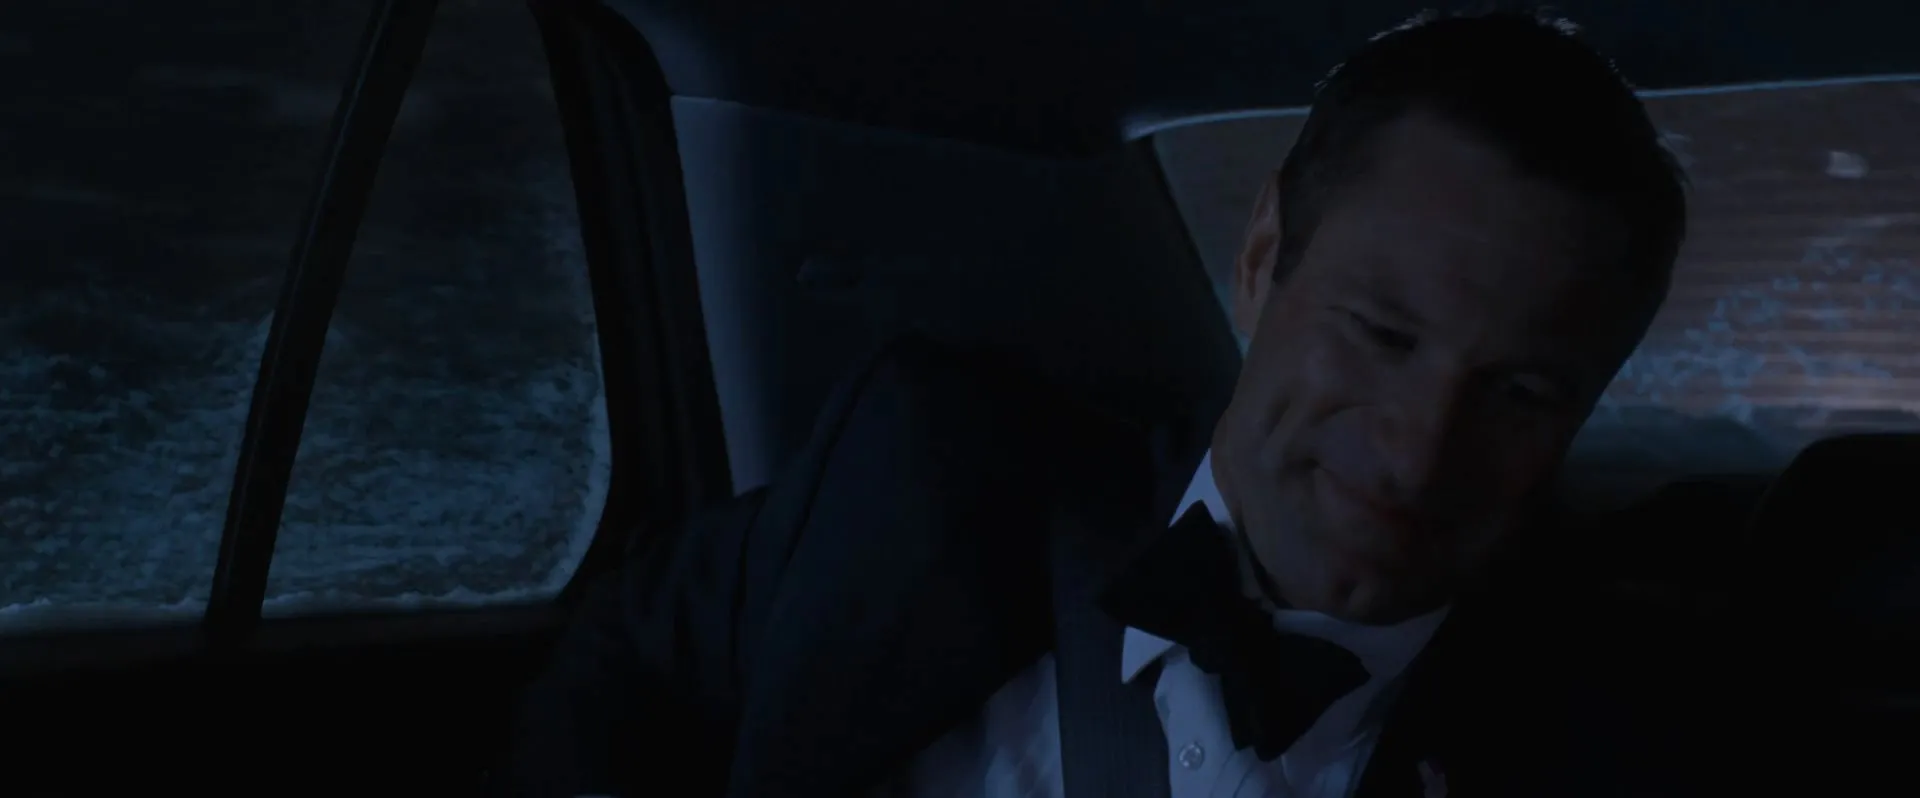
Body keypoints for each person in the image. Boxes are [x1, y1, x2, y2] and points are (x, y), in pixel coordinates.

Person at [506, 10, 1698, 798]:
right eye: (1381, 334)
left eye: (1520, 393)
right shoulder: (927, 473)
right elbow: (630, 662)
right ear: (1263, 257)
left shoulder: (1625, 737)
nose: (1417, 451)